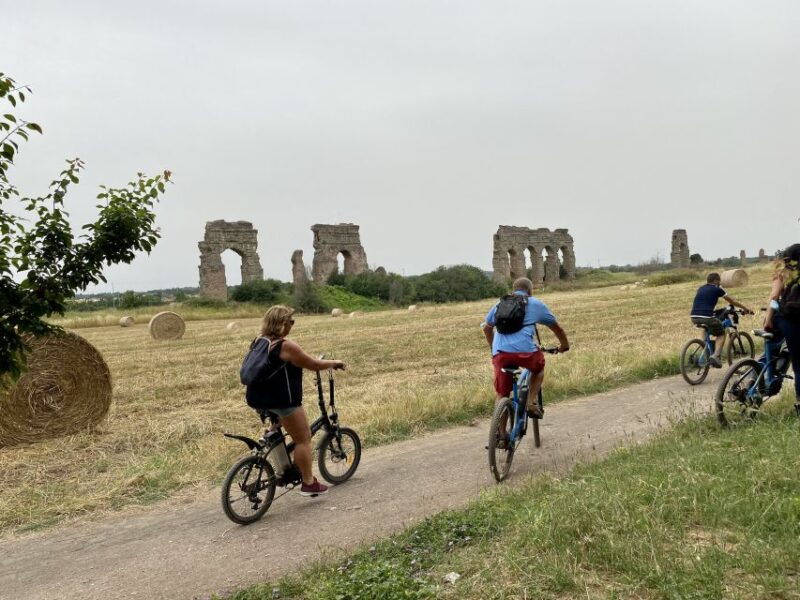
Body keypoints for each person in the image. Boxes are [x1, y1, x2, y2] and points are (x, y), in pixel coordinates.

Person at [245, 305, 345, 496]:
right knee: (303, 439)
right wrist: (335, 363)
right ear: (282, 324)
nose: (292, 324)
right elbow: (313, 364)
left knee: (280, 431)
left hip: (257, 397)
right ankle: (308, 483)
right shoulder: (286, 346)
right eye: (290, 321)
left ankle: (282, 464)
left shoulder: (259, 341)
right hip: (282, 400)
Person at [482, 277, 570, 421]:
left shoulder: (500, 303)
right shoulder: (535, 304)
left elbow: (487, 328)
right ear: (530, 291)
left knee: (502, 394)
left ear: (513, 289)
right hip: (526, 353)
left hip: (501, 354)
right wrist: (564, 346)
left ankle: (502, 435)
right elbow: (557, 328)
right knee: (538, 368)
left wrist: (494, 350)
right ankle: (530, 401)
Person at [764, 243, 800, 414]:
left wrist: (768, 318)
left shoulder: (783, 273)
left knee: (774, 350)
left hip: (784, 319)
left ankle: (753, 380)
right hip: (795, 321)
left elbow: (774, 296)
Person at [690, 273, 754, 368]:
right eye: (719, 281)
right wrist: (745, 309)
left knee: (706, 328)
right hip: (706, 317)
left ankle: (705, 349)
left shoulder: (701, 288)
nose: (720, 283)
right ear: (716, 280)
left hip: (694, 317)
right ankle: (715, 356)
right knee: (721, 333)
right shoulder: (717, 289)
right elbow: (732, 301)